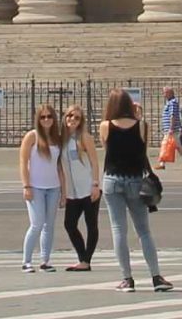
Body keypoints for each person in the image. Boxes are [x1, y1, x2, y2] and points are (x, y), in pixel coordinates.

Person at [98, 88, 171, 293]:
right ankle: (156, 277)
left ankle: (127, 279)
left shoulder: (105, 126)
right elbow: (142, 151)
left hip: (112, 180)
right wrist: (138, 118)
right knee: (144, 231)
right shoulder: (142, 126)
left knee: (118, 230)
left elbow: (107, 150)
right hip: (136, 181)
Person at [18, 103, 65, 272]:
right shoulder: (32, 136)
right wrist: (26, 186)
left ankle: (45, 261)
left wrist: (64, 192)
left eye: (49, 116)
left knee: (49, 225)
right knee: (36, 223)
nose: (46, 120)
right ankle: (26, 261)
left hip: (53, 187)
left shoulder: (57, 138)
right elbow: (23, 162)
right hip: (35, 186)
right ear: (38, 119)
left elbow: (59, 166)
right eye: (43, 117)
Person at [58, 103, 101, 273]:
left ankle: (86, 260)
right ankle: (82, 257)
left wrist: (95, 184)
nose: (72, 120)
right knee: (69, 224)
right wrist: (63, 192)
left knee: (91, 225)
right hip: (72, 191)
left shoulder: (84, 137)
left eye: (77, 117)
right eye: (70, 116)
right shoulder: (61, 140)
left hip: (88, 188)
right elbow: (60, 168)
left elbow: (94, 162)